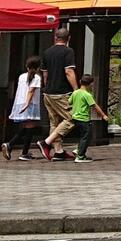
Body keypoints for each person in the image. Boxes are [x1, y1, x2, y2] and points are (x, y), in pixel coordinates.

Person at [39, 27, 80, 155]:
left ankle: (58, 151)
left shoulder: (47, 52)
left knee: (54, 121)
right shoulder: (68, 51)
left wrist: (47, 87)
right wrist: (76, 90)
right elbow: (68, 71)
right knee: (73, 117)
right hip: (61, 92)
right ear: (69, 39)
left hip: (48, 92)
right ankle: (46, 142)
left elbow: (45, 75)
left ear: (56, 37)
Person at [3, 55, 46, 161]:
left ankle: (22, 151)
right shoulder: (37, 78)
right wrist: (27, 103)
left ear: (26, 66)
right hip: (30, 104)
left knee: (28, 128)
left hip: (19, 103)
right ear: (38, 67)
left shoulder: (22, 76)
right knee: (30, 129)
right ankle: (13, 146)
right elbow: (31, 91)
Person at [65, 77, 106, 163]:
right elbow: (94, 106)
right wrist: (103, 115)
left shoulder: (75, 93)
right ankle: (80, 156)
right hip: (84, 119)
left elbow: (69, 102)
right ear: (90, 84)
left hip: (75, 118)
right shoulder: (87, 95)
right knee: (86, 137)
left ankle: (78, 150)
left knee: (83, 136)